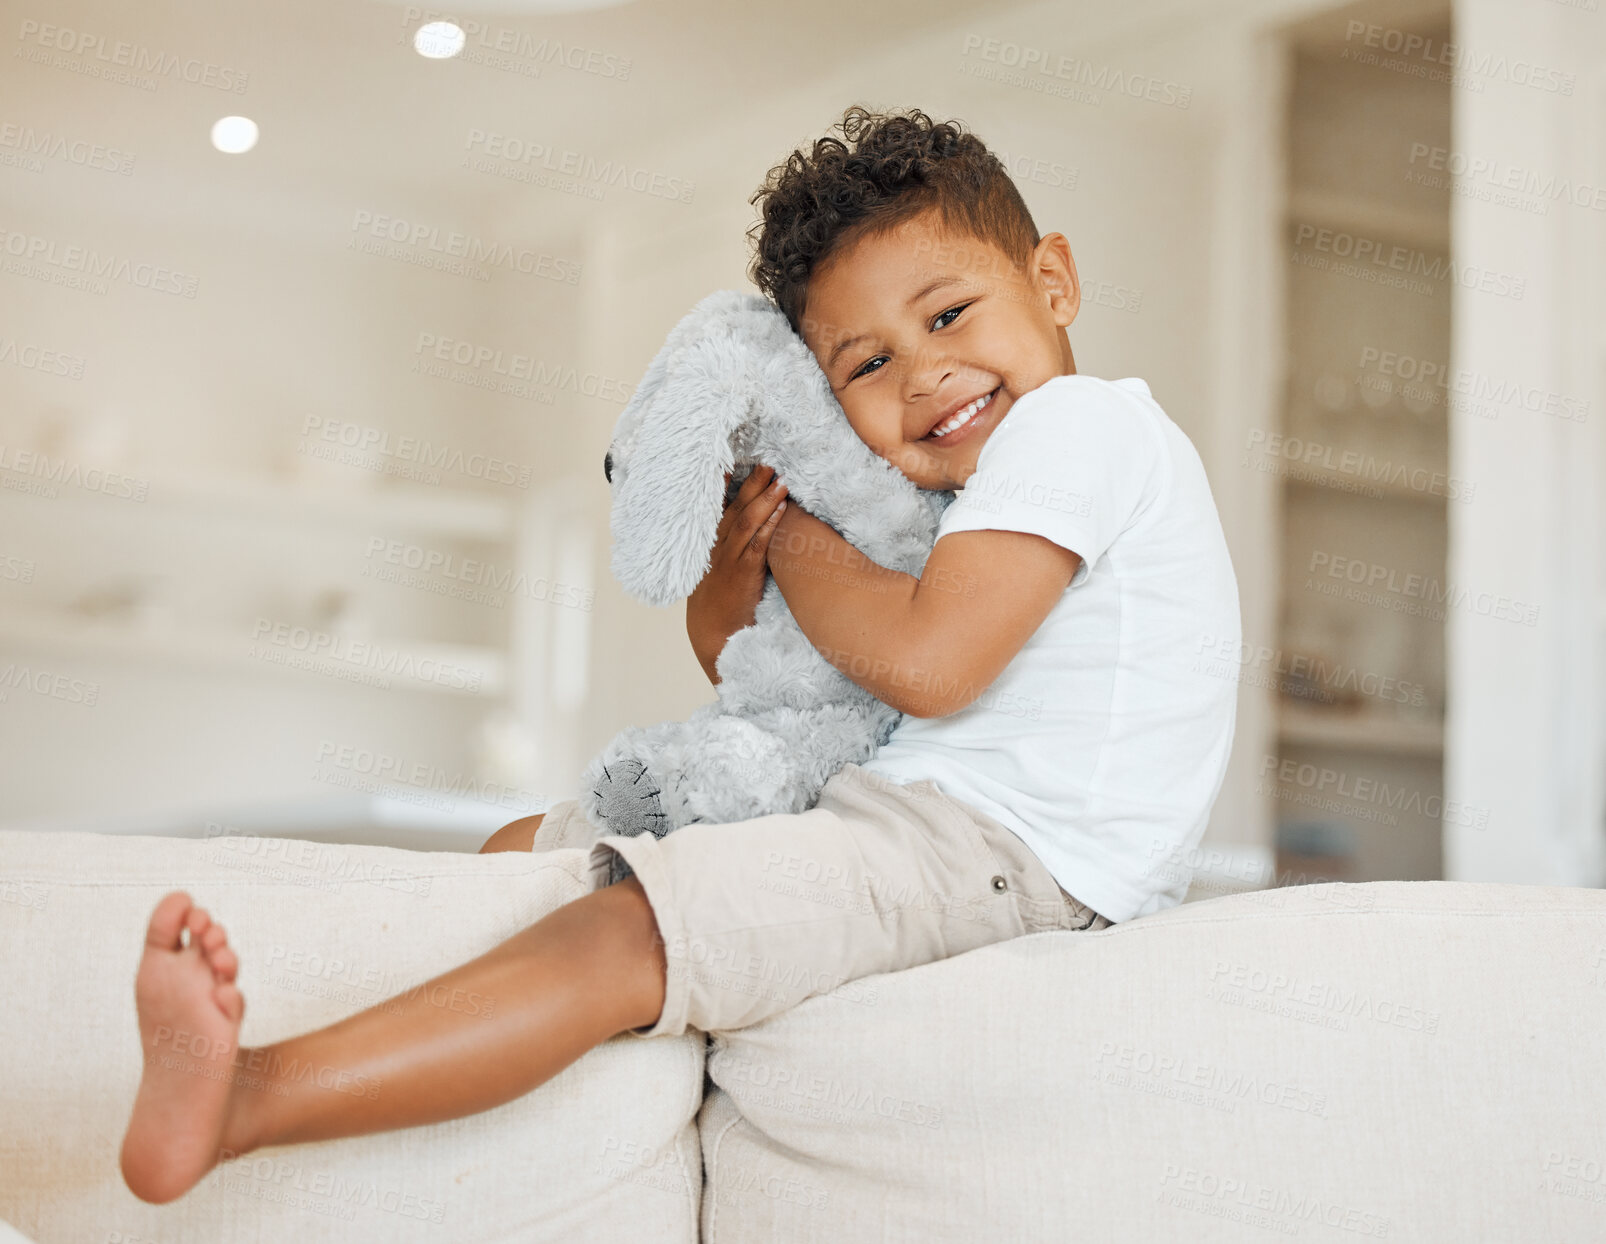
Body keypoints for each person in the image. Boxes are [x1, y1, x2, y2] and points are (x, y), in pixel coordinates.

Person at [119, 104, 1241, 1205]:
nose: (923, 375)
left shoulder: (1081, 426)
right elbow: (782, 681)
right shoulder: (961, 501)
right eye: (864, 365)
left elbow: (931, 664)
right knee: (527, 844)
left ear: (1053, 281)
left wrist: (794, 533)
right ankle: (316, 1033)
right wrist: (730, 584)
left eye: (949, 314)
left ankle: (249, 1097)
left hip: (1014, 860)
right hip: (906, 813)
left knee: (630, 925)